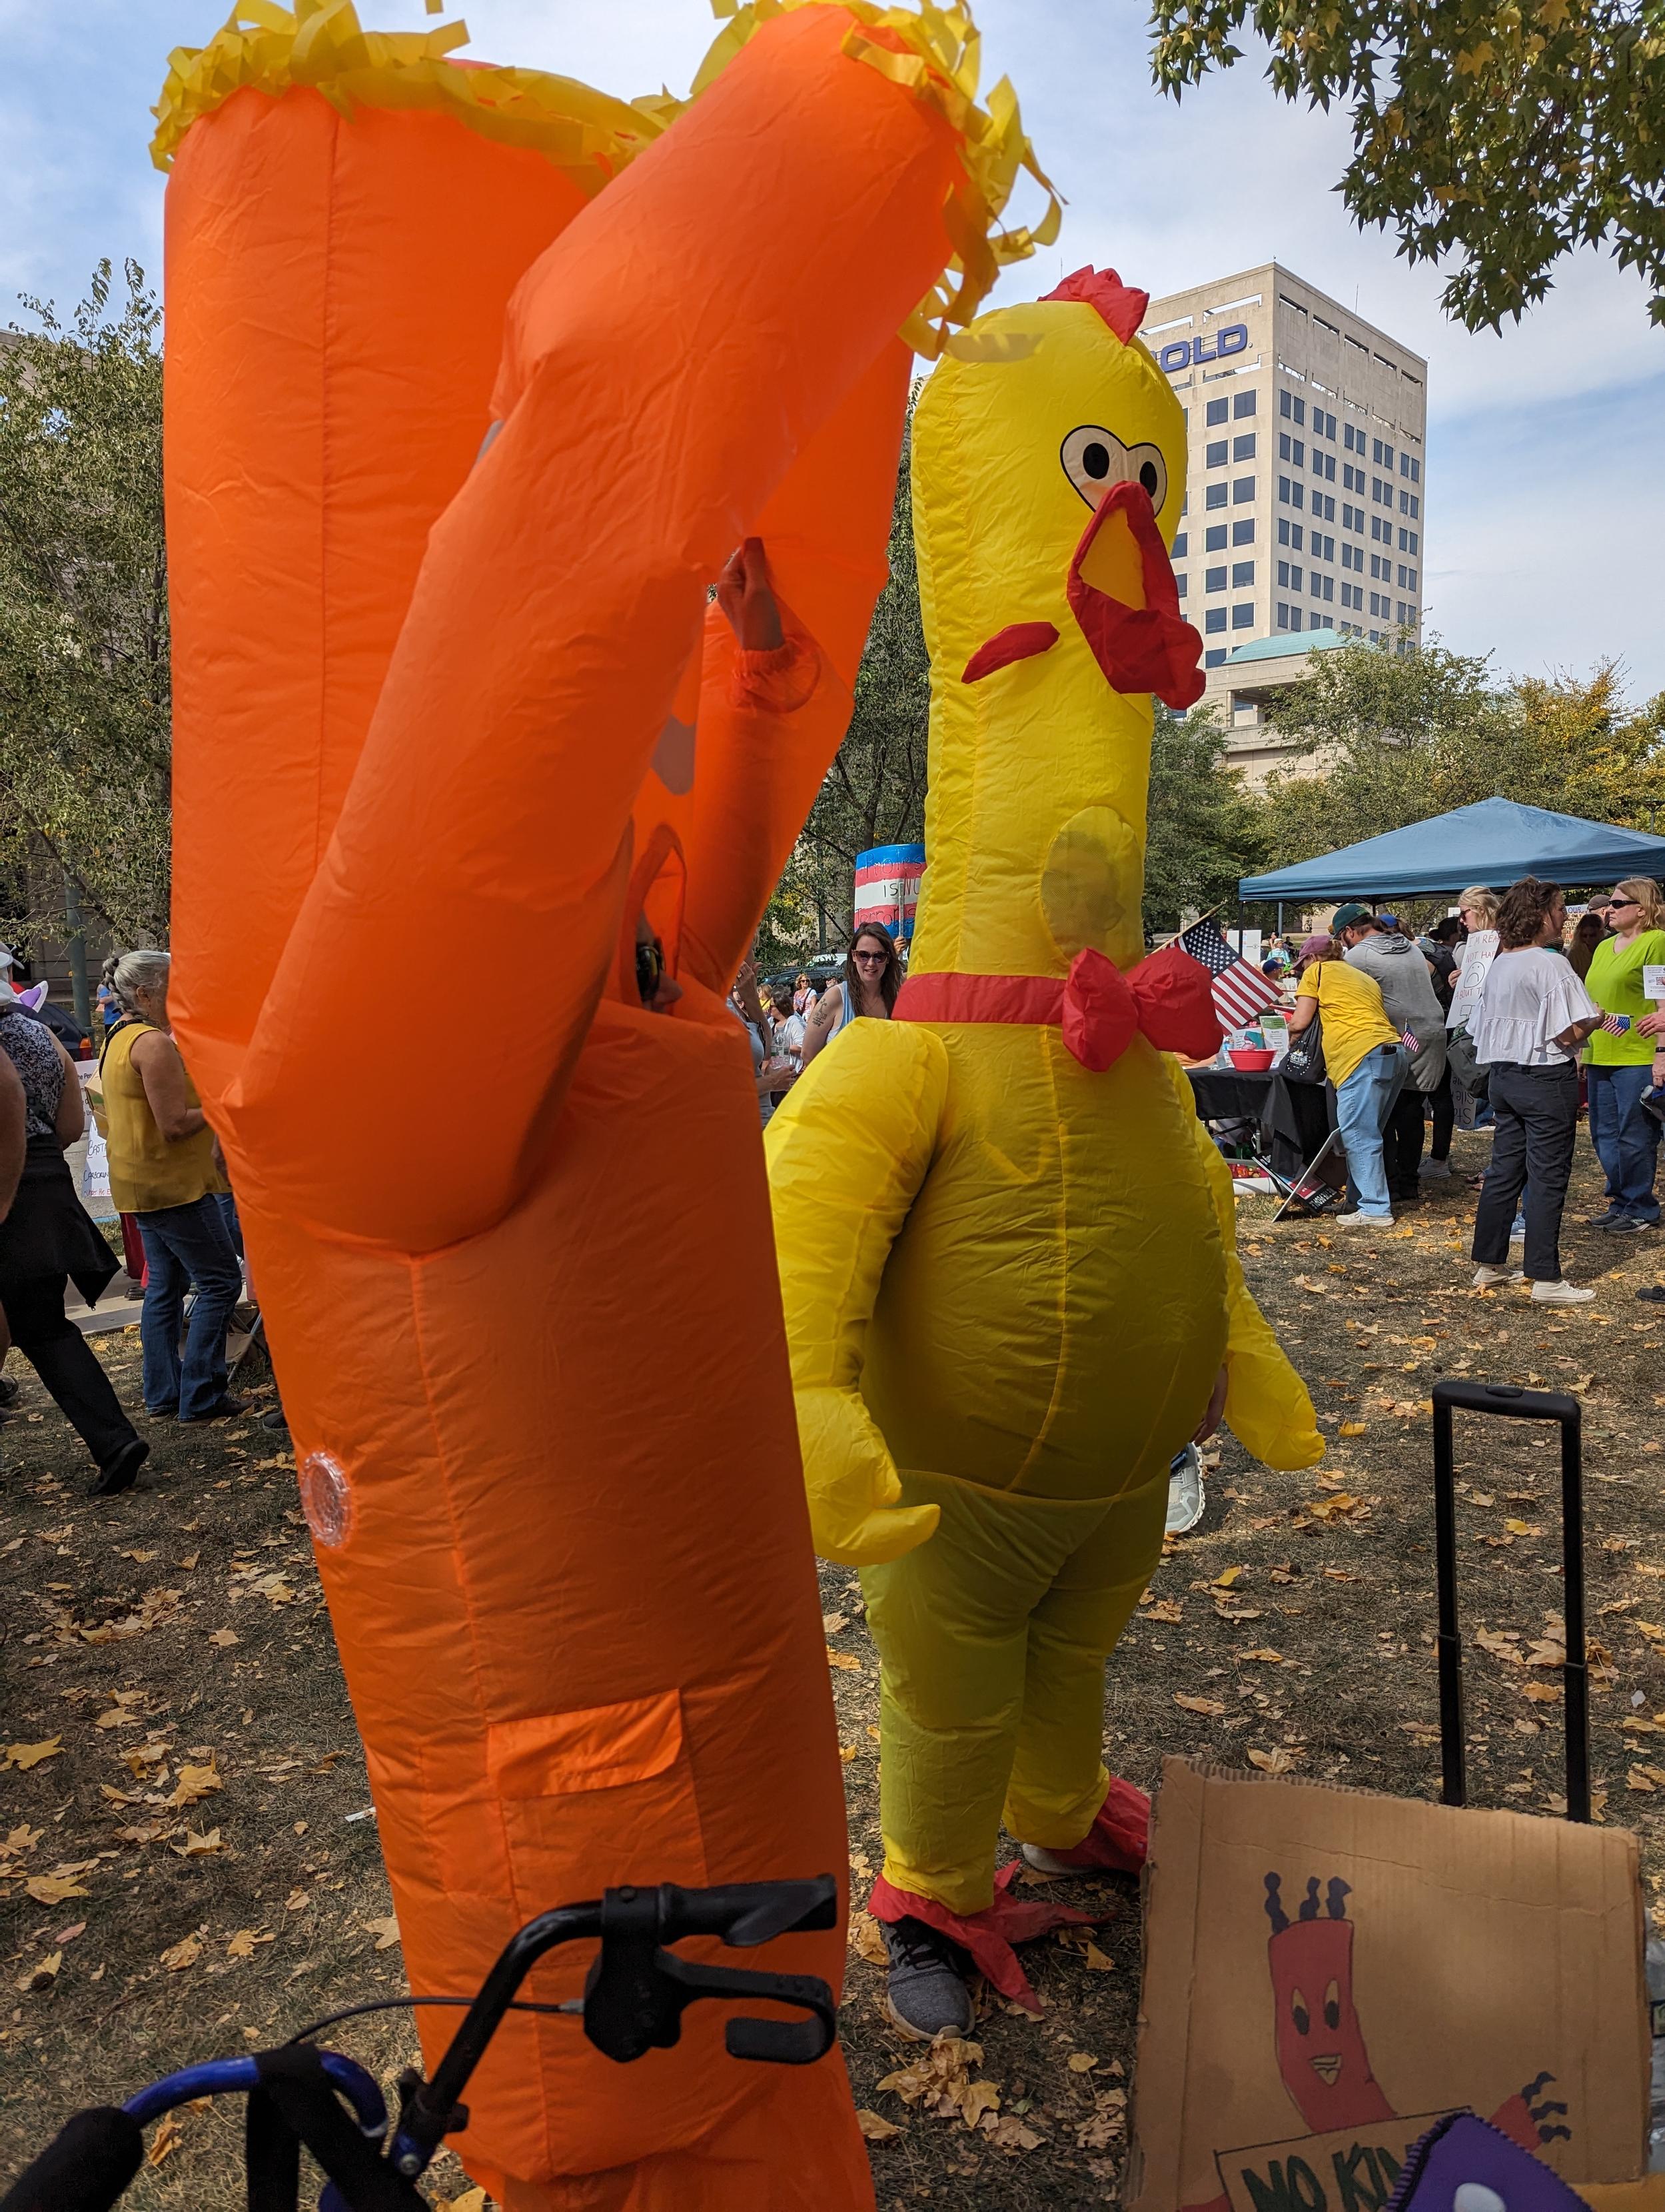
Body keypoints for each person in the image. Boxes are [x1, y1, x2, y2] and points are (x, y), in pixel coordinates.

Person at [0, 997, 149, 1495]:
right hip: (47, 1184)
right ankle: (115, 1440)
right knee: (46, 1328)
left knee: (40, 1328)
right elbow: (70, 1126)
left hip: (8, 1194)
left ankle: (114, 1441)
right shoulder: (41, 1035)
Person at [101, 950, 245, 1423]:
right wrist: (225, 1108)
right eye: (171, 987)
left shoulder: (118, 1038)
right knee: (221, 1279)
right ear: (144, 993)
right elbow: (175, 1125)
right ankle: (201, 1392)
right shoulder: (154, 1044)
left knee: (165, 1283)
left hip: (141, 1184)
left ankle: (164, 1392)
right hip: (172, 1185)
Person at [1469, 877, 1601, 1304]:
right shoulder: (1550, 964)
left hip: (1504, 1077)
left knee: (1504, 1172)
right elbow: (1569, 1033)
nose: (1565, 918)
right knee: (1547, 1176)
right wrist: (1595, 1018)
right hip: (1544, 1078)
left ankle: (1488, 1265)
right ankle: (1545, 1277)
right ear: (1541, 915)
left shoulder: (1502, 961)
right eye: (1561, 909)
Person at [1287, 932, 1406, 1225]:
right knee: (1367, 1131)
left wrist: (1289, 1039)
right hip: (1392, 1052)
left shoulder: (1317, 972)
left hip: (1357, 1055)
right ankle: (1356, 1201)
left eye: (1303, 963)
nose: (1302, 969)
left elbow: (1300, 1021)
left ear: (1314, 958)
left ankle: (1375, 1209)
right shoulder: (1362, 977)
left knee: (1358, 1135)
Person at [1335, 903, 1447, 1205]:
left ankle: (1391, 1183)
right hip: (1430, 1030)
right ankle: (1409, 1180)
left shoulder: (1359, 955)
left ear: (1348, 932)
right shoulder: (1409, 947)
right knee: (1411, 1112)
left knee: (1381, 1114)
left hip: (1397, 1035)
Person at [1583, 878, 1665, 1234]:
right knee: (1603, 1133)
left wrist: (1662, 1053)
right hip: (1600, 1052)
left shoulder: (1656, 943)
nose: (1609, 910)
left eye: (1617, 904)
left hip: (1637, 1055)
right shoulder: (1603, 947)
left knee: (1634, 1136)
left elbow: (1663, 1002)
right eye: (1609, 905)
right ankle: (1621, 1200)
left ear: (1641, 910)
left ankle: (1640, 1205)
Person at [799, 919, 900, 1066]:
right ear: (853, 956)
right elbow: (808, 1054)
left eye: (879, 956)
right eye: (863, 955)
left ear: (888, 958)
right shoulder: (836, 997)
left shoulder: (897, 998)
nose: (871, 963)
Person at [1448, 885, 1500, 1132]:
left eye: (1464, 913)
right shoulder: (1475, 943)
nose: (1461, 920)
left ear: (1480, 910)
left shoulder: (1501, 940)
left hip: (1499, 1029)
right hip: (1480, 1025)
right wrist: (1461, 982)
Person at [1568, 909, 1610, 982]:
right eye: (1584, 936)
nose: (1588, 939)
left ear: (1601, 934)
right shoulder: (1574, 955)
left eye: (1592, 935)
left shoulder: (1608, 949)